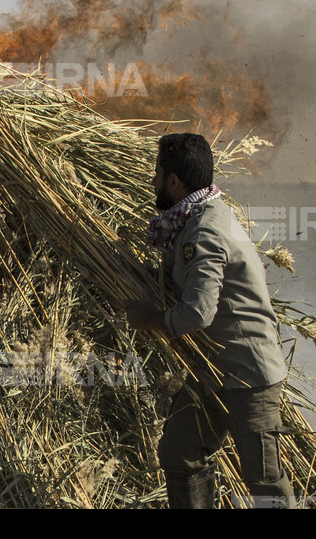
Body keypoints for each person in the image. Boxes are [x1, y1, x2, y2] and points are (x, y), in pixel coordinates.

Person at [125, 133, 295, 509]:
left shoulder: (204, 228)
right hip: (214, 372)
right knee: (179, 452)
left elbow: (199, 311)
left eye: (157, 173)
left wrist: (151, 318)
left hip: (247, 374)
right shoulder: (194, 220)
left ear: (174, 181)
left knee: (264, 481)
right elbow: (183, 282)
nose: (153, 182)